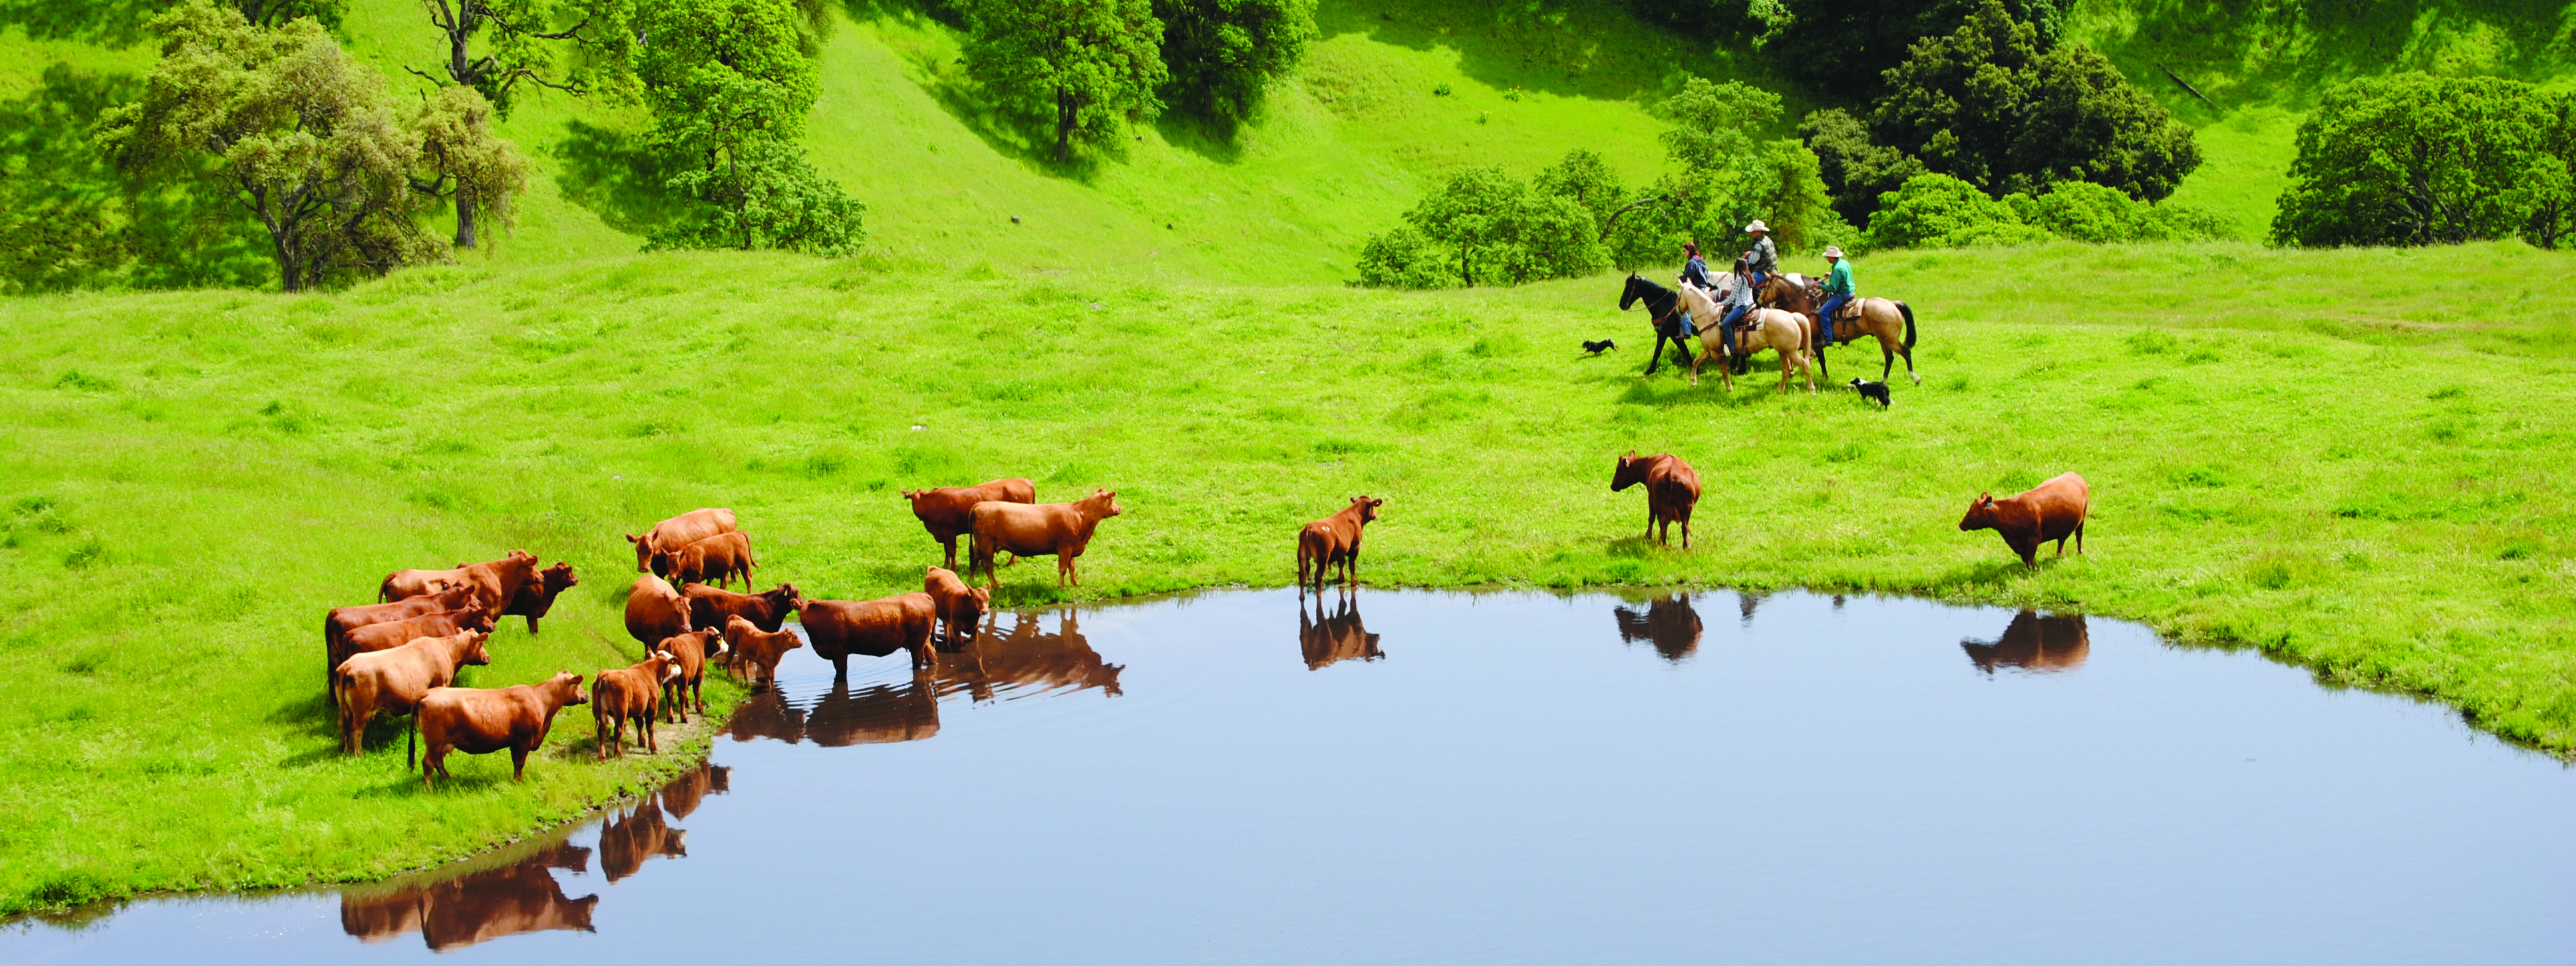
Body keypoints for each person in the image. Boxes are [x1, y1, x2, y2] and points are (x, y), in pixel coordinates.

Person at [1716, 257, 1755, 358]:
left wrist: (1722, 303)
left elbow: (1733, 297)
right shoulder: (1749, 276)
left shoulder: (1740, 278)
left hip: (1742, 306)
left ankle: (1731, 348)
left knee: (1726, 322)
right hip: (1750, 303)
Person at [1817, 245, 1853, 346]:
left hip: (1842, 294)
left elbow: (1833, 289)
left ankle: (1828, 339)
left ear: (1832, 257)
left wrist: (1819, 286)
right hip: (1850, 290)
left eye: (1828, 257)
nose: (1827, 259)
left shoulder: (1837, 268)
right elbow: (1843, 276)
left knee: (1823, 312)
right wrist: (1831, 275)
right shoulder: (1844, 263)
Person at [1673, 242, 1711, 335]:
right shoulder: (1701, 260)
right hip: (1703, 287)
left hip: (1695, 289)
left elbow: (1688, 278)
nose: (1683, 253)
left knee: (1683, 309)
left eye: (1684, 251)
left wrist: (1680, 278)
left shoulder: (1691, 263)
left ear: (1689, 251)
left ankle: (1687, 332)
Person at [1740, 220, 1777, 289]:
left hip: (1762, 271)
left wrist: (1743, 262)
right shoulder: (1767, 239)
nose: (1752, 233)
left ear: (1759, 232)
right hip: (1771, 268)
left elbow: (1753, 261)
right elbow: (1766, 253)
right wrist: (1751, 253)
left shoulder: (1759, 244)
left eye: (1753, 232)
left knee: (1745, 286)